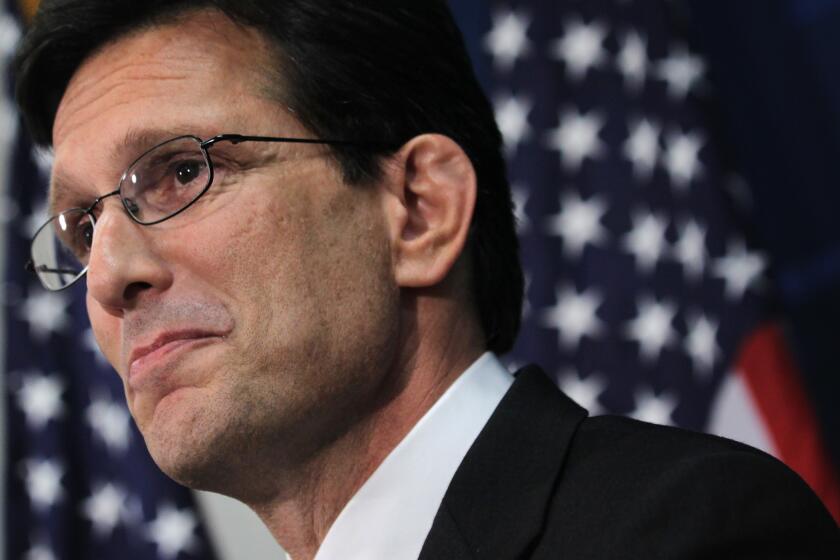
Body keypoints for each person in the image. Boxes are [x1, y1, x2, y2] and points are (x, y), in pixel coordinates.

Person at [14, 1, 839, 558]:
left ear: (419, 209)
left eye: (179, 172)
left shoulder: (686, 536)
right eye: (84, 227)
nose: (110, 276)